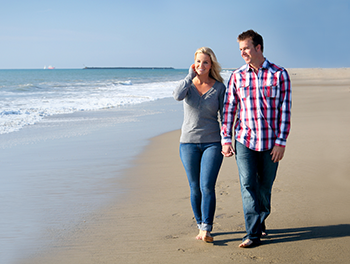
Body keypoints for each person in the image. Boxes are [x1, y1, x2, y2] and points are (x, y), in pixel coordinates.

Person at [221, 30, 292, 248]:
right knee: (247, 184)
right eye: (240, 49)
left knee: (265, 187)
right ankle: (252, 233)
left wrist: (281, 142)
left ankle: (260, 220)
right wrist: (226, 138)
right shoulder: (236, 76)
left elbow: (285, 110)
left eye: (246, 48)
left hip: (271, 143)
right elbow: (229, 109)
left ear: (258, 47)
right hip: (245, 140)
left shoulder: (280, 74)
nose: (243, 53)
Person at [173, 47, 226, 243]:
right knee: (194, 187)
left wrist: (226, 140)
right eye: (197, 62)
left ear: (211, 64)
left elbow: (225, 116)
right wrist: (189, 76)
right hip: (187, 144)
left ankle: (207, 228)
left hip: (212, 142)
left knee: (207, 186)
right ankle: (199, 224)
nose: (201, 65)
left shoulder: (219, 87)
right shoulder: (187, 85)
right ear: (193, 64)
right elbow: (177, 96)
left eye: (205, 62)